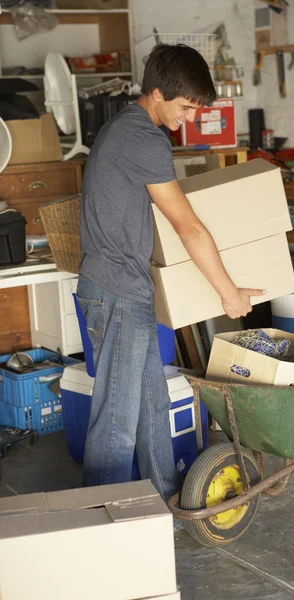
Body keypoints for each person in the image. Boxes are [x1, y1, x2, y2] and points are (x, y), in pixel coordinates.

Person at [77, 43, 265, 503]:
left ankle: (164, 500)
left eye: (196, 109)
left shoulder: (124, 126)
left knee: (151, 405)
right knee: (117, 421)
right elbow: (188, 227)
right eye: (184, 107)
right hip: (118, 290)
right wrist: (230, 294)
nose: (190, 118)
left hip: (121, 286)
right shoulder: (143, 138)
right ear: (157, 94)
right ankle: (101, 523)